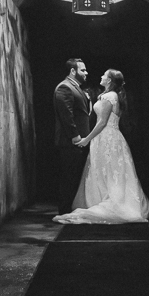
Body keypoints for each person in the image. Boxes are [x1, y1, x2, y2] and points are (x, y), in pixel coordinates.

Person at [53, 69, 149, 224]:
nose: (101, 76)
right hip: (107, 138)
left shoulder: (110, 96)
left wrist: (86, 139)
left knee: (107, 172)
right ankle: (101, 199)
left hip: (106, 139)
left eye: (104, 75)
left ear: (110, 80)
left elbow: (102, 122)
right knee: (106, 172)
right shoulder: (109, 96)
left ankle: (107, 203)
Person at [53, 58, 92, 216]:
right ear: (73, 71)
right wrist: (75, 136)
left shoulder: (77, 88)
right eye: (82, 70)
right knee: (69, 178)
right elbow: (66, 115)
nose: (86, 73)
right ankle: (64, 211)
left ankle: (70, 209)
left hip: (79, 142)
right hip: (70, 142)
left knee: (75, 177)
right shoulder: (64, 88)